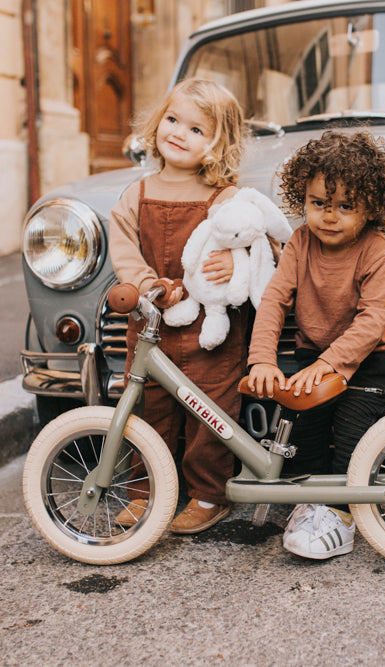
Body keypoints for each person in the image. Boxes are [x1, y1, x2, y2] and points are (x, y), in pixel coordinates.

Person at [247, 130, 385, 559]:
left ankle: (341, 513)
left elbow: (375, 319)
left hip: (378, 355)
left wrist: (332, 363)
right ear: (302, 197)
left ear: (371, 208)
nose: (329, 217)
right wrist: (262, 360)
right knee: (304, 425)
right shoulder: (300, 242)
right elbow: (273, 301)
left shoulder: (376, 249)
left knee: (352, 429)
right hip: (316, 351)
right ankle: (310, 500)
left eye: (345, 206)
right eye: (319, 203)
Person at [110, 78, 250, 534]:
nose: (178, 133)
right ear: (157, 123)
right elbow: (125, 249)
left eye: (196, 129)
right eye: (172, 120)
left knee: (211, 411)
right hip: (151, 323)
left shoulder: (225, 196)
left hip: (212, 329)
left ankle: (209, 494)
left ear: (217, 143)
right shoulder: (138, 192)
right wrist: (147, 285)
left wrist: (234, 261)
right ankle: (143, 491)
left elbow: (253, 237)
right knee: (147, 408)